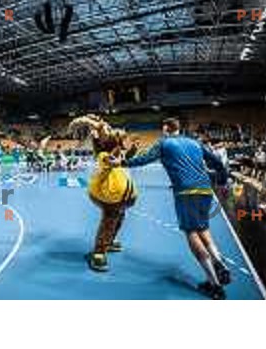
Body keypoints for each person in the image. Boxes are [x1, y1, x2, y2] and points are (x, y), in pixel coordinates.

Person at [126, 117, 231, 300]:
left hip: (185, 193)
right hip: (206, 191)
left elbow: (145, 159)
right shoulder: (195, 142)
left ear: (166, 129)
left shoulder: (164, 143)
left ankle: (215, 285)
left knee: (191, 233)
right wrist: (222, 181)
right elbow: (217, 163)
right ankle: (219, 262)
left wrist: (121, 163)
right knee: (203, 230)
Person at [70, 115, 138, 272]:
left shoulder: (117, 153)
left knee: (119, 217)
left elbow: (125, 157)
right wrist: (97, 127)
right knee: (109, 221)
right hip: (109, 196)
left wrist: (133, 148)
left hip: (122, 197)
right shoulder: (103, 155)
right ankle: (99, 252)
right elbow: (112, 157)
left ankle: (110, 241)